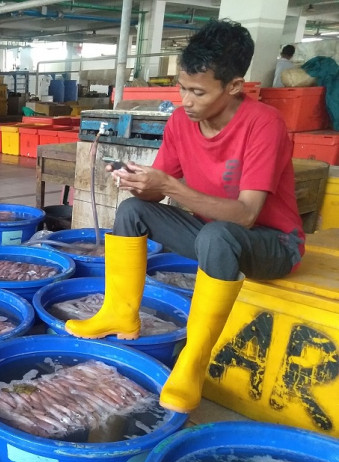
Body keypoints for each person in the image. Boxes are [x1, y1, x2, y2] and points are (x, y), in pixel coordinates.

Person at [65, 19, 304, 414]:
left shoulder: (264, 125)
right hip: (215, 234)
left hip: (273, 243)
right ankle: (120, 313)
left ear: (233, 86)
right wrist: (140, 183)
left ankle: (193, 359)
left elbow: (246, 215)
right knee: (132, 211)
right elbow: (160, 187)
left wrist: (171, 187)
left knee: (219, 237)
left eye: (197, 92)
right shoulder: (181, 122)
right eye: (181, 88)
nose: (186, 100)